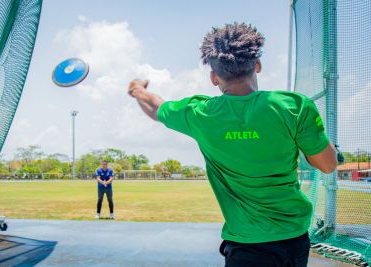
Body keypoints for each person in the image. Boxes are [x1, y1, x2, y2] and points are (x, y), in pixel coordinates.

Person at [127, 23, 338, 266]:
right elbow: (327, 164)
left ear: (214, 77)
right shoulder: (294, 106)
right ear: (257, 65)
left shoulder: (199, 114)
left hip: (246, 245)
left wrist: (137, 90)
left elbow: (156, 107)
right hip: (294, 240)